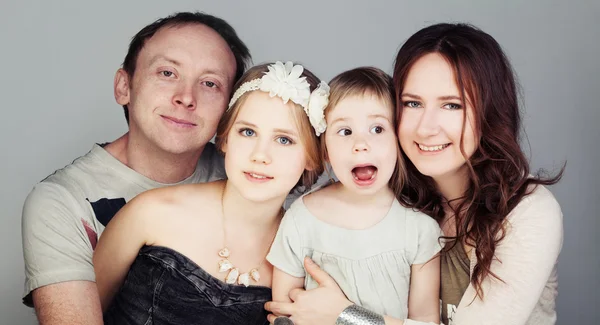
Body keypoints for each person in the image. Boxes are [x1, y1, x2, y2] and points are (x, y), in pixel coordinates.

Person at [264, 23, 564, 325]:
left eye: (452, 105)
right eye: (413, 103)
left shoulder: (529, 212)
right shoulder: (392, 197)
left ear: (488, 113)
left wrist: (344, 316)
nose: (426, 127)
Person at [21, 11, 250, 324]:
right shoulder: (63, 202)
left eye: (210, 83)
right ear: (123, 87)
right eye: (168, 73)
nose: (186, 97)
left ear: (229, 109)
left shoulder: (257, 177)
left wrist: (342, 314)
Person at [93, 61, 328, 325]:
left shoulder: (308, 257)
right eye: (247, 132)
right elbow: (79, 316)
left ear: (312, 156)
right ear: (226, 138)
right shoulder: (151, 212)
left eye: (284, 139)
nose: (260, 155)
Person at [267, 67, 441, 323]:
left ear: (398, 140)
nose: (361, 143)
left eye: (378, 129)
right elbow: (283, 313)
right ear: (325, 149)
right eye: (345, 132)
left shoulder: (419, 229)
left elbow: (425, 320)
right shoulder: (301, 220)